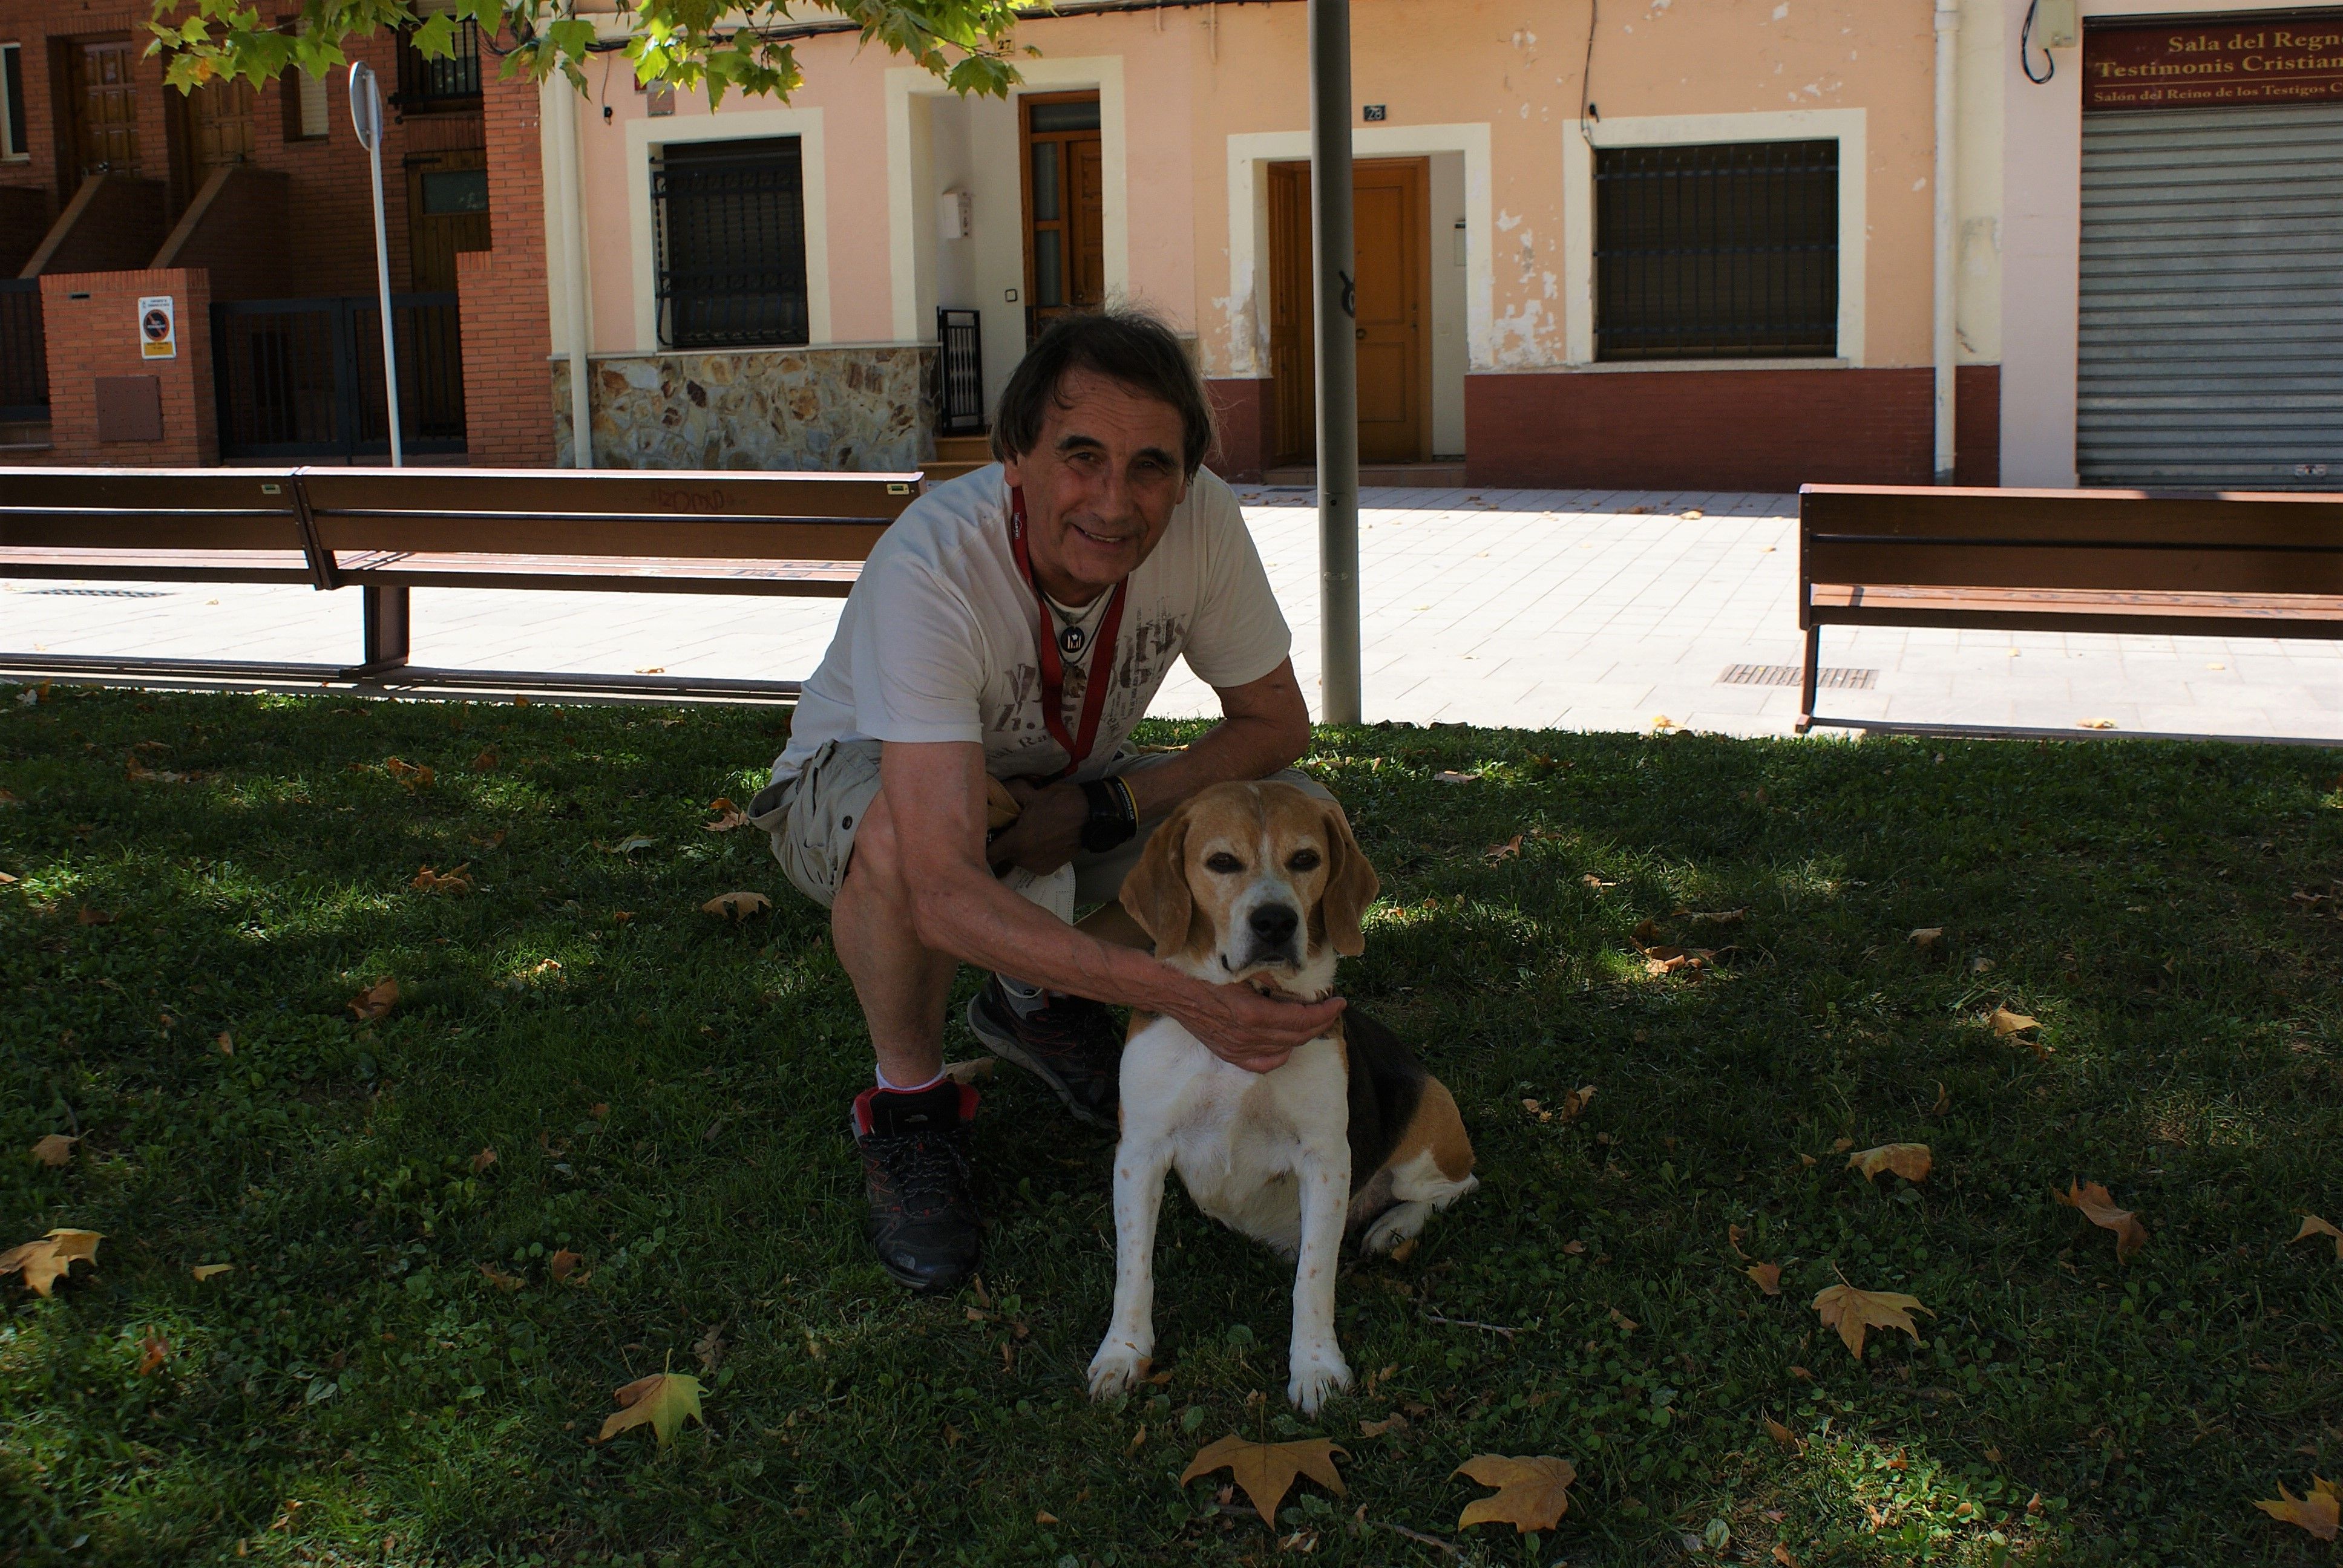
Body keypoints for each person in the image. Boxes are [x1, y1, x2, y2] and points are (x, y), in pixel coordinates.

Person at [747, 308, 1349, 1292]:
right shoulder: (934, 562)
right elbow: (944, 886)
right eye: (1081, 457)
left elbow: (1276, 728)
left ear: (1188, 473)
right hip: (855, 790)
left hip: (1068, 786)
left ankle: (1032, 999)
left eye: (1152, 466)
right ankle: (910, 1111)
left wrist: (1111, 805)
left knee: (1290, 805)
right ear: (1015, 454)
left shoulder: (1202, 522)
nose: (1115, 502)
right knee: (913, 841)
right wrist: (1187, 997)